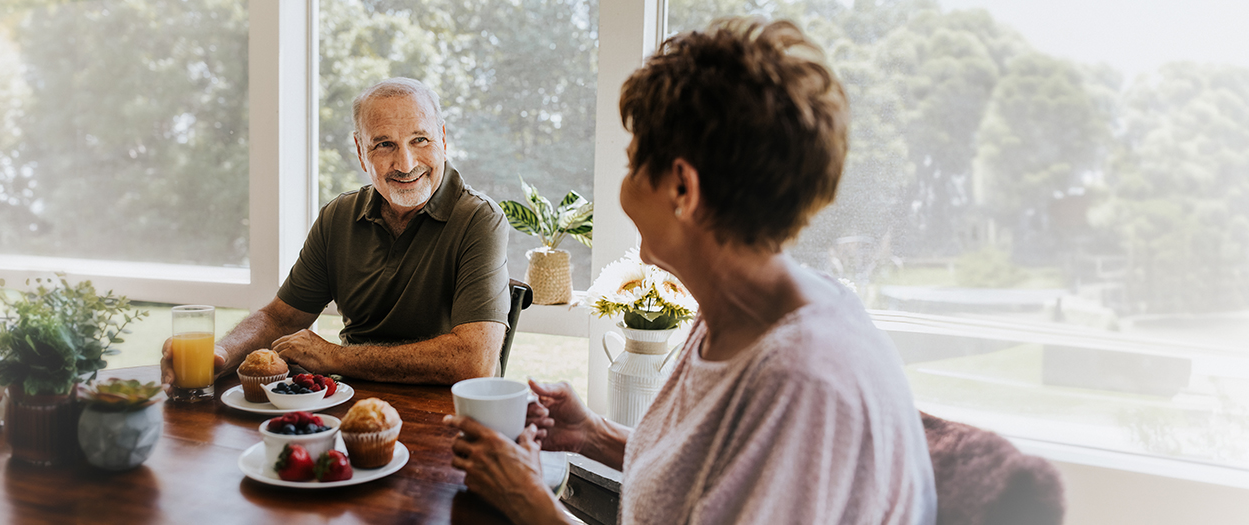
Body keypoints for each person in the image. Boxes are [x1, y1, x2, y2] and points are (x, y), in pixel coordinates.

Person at [444, 17, 936, 524]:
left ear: (683, 188)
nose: (625, 191)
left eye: (634, 165)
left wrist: (531, 507)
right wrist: (592, 434)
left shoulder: (805, 381)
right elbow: (711, 476)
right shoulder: (737, 311)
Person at [161, 78, 510, 386]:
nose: (405, 164)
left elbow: (474, 360)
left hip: (445, 417)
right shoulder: (338, 216)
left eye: (420, 139)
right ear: (361, 152)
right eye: (384, 145)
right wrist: (220, 353)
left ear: (443, 139)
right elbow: (280, 317)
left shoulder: (480, 219)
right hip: (346, 405)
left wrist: (335, 358)